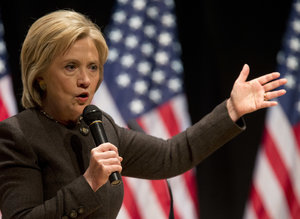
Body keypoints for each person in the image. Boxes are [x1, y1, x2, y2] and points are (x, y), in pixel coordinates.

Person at [0, 9, 287, 219]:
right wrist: (89, 182)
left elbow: (170, 156)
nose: (86, 80)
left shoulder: (99, 127)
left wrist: (231, 110)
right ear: (40, 77)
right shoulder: (18, 135)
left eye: (93, 67)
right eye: (70, 67)